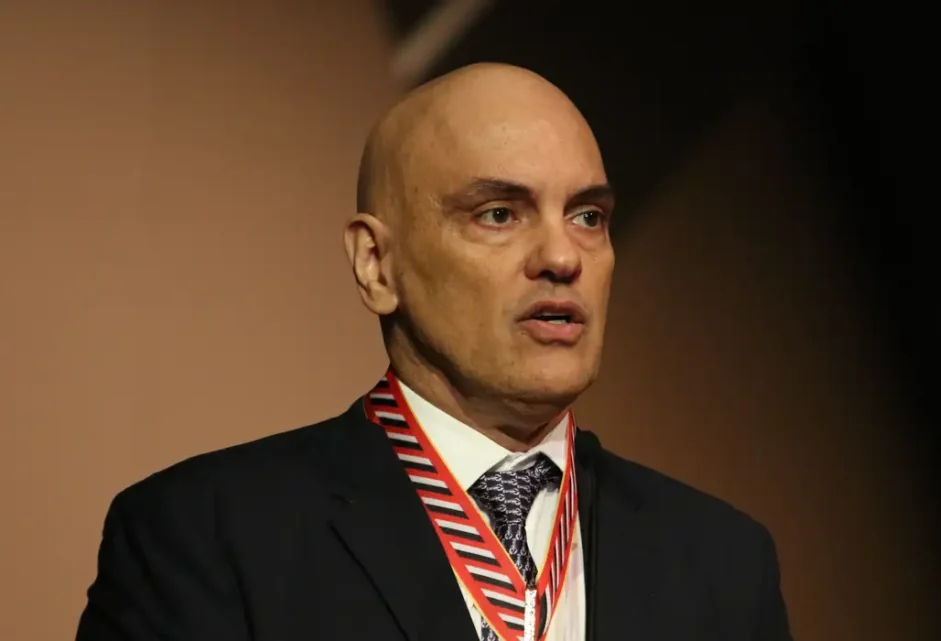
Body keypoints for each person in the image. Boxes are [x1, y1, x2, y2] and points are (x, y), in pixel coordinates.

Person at [75, 63, 792, 641]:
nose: (562, 256)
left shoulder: (724, 562)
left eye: (587, 216)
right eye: (499, 213)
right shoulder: (207, 536)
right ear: (376, 265)